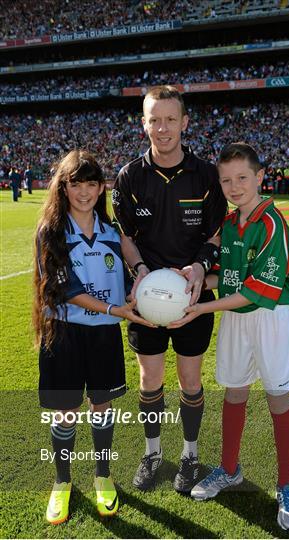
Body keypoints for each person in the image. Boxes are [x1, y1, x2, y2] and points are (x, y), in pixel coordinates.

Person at [169, 142, 289, 531]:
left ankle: (287, 485)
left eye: (242, 177)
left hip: (270, 317)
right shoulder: (229, 224)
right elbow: (226, 279)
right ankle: (229, 469)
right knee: (234, 391)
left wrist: (199, 308)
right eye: (226, 180)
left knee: (278, 396)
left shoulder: (272, 224)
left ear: (260, 177)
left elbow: (255, 291)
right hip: (235, 316)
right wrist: (191, 284)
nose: (234, 186)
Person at [112, 85, 227, 493]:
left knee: (191, 382)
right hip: (146, 297)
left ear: (184, 122)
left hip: (193, 297)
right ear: (144, 123)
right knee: (149, 380)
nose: (162, 128)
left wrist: (199, 266)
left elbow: (217, 232)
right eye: (154, 119)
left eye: (170, 119)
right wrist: (140, 268)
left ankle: (191, 454)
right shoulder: (129, 176)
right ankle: (153, 453)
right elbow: (126, 237)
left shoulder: (206, 174)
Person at [33, 150, 153, 524]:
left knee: (102, 408)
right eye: (75, 184)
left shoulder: (111, 231)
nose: (84, 192)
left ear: (102, 188)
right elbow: (64, 288)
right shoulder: (51, 231)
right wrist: (116, 310)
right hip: (65, 332)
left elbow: (128, 274)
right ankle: (63, 482)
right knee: (66, 412)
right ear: (63, 187)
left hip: (103, 336)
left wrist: (137, 290)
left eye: (91, 184)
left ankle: (102, 476)